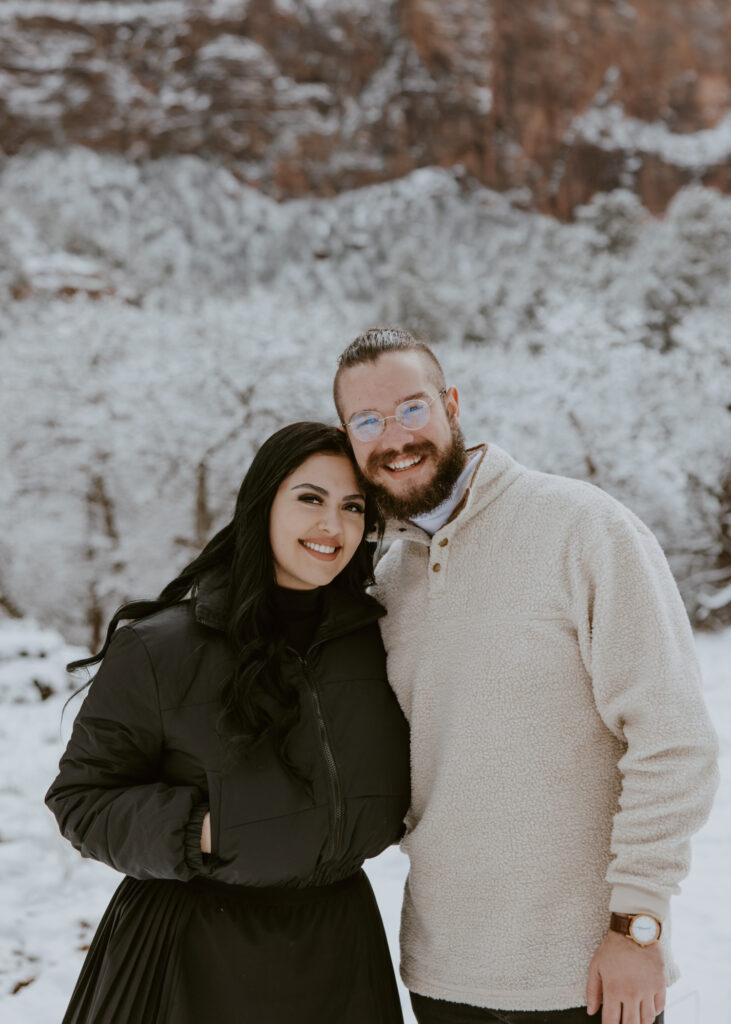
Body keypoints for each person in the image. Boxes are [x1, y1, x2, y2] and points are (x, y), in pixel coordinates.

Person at [332, 328, 719, 1024]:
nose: (393, 437)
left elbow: (671, 739)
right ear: (348, 438)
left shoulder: (582, 528)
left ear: (451, 404)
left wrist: (638, 924)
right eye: (368, 421)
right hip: (441, 974)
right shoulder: (385, 583)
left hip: (588, 976)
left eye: (410, 408)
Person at [46, 421, 410, 1024]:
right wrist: (204, 832)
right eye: (310, 499)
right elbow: (81, 799)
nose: (333, 526)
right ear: (261, 503)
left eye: (353, 507)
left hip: (340, 948)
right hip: (192, 952)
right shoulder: (160, 648)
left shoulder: (383, 641)